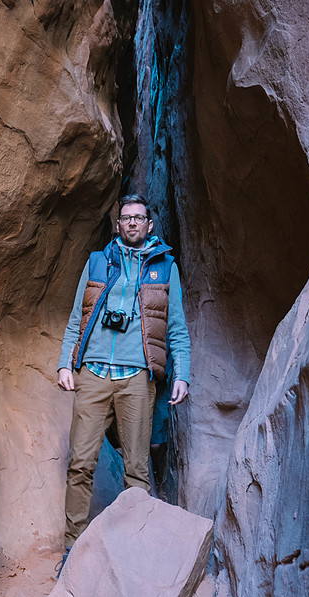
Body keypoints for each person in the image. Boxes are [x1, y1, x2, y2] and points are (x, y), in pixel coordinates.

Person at [56, 193, 191, 564]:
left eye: (139, 218)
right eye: (126, 217)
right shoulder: (98, 262)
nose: (132, 223)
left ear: (149, 225)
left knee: (136, 469)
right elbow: (76, 316)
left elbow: (176, 327)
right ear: (118, 225)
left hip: (137, 378)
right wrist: (65, 364)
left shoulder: (165, 268)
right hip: (93, 372)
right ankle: (73, 551)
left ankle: (134, 553)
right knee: (80, 464)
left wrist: (183, 374)